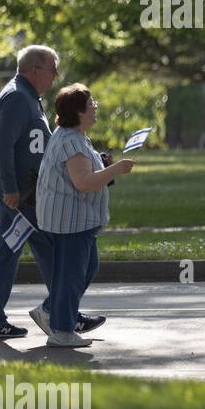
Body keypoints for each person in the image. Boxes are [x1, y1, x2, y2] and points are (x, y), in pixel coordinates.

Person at [0, 46, 85, 339]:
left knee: (48, 252)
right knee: (9, 254)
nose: (56, 75)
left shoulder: (29, 96)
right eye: (52, 69)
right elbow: (3, 146)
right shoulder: (18, 97)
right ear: (35, 69)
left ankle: (65, 314)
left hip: (31, 196)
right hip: (19, 198)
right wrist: (11, 190)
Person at [34, 84, 134, 348]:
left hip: (76, 221)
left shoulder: (73, 137)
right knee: (72, 275)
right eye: (91, 104)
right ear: (79, 112)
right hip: (70, 223)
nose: (95, 107)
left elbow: (80, 172)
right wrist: (115, 170)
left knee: (85, 269)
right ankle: (62, 332)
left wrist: (101, 161)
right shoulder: (71, 141)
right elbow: (84, 182)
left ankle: (49, 311)